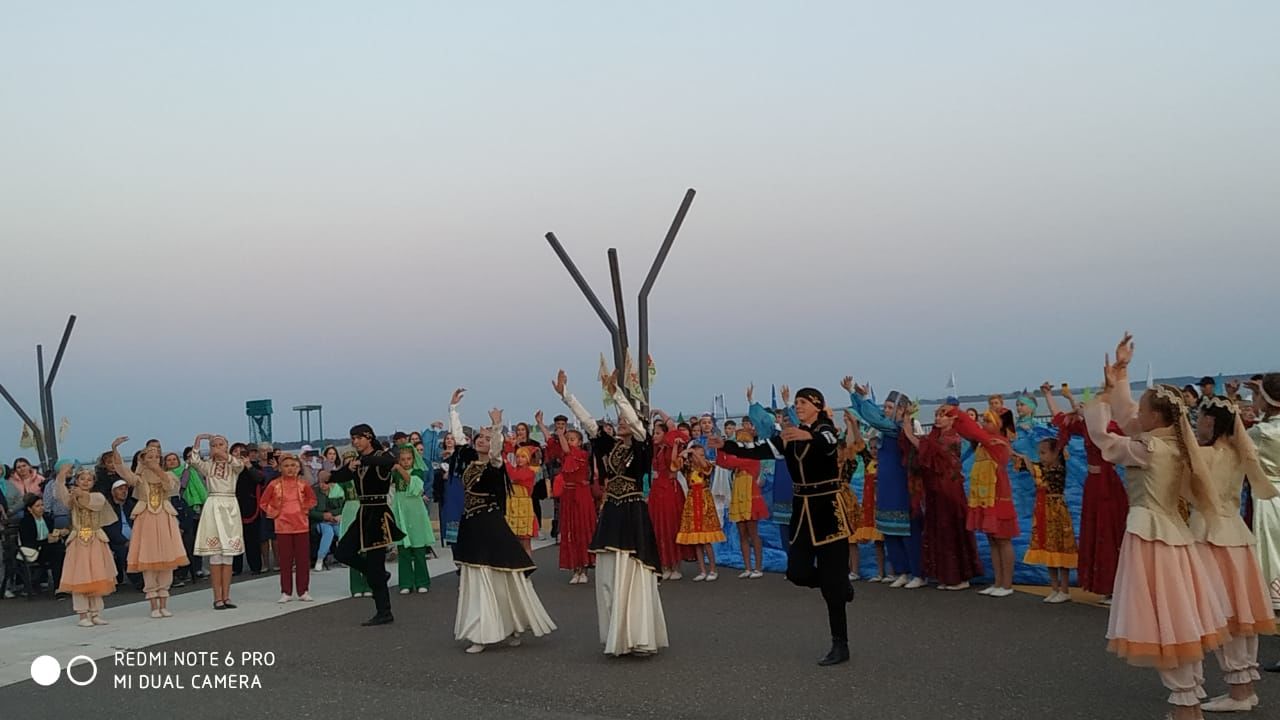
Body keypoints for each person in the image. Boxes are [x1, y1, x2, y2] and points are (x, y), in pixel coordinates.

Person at [1086, 335, 1228, 719]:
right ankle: (1190, 702)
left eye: (1144, 411)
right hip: (1173, 536)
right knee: (1183, 618)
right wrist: (1122, 372)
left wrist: (1101, 397)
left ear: (1156, 418)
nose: (1136, 416)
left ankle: (1186, 707)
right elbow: (1131, 415)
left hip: (1151, 536)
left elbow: (1105, 438)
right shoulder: (1175, 443)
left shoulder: (1147, 449)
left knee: (1166, 622)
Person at [711, 386, 855, 666]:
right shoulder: (788, 436)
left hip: (828, 511)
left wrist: (809, 434)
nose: (798, 406)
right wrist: (726, 445)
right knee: (797, 572)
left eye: (803, 402)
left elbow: (828, 443)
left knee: (832, 588)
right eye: (797, 402)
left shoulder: (826, 429)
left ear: (817, 405)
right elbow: (758, 448)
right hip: (802, 512)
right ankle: (837, 583)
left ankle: (840, 644)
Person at [555, 370, 668, 657]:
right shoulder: (611, 446)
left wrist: (617, 392)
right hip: (612, 513)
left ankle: (640, 636)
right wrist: (567, 396)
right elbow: (589, 423)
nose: (620, 422)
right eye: (617, 419)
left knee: (634, 573)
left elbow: (634, 422)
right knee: (609, 575)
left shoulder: (643, 445)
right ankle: (617, 635)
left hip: (632, 511)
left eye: (624, 420)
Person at [1190, 393, 1277, 711]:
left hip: (1209, 536)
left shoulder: (1207, 455)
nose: (1196, 424)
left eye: (1199, 418)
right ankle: (1243, 686)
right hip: (1236, 535)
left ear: (1210, 421)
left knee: (1220, 614)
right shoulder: (1240, 452)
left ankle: (1236, 690)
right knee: (1241, 613)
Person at [450, 401, 556, 653]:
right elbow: (458, 438)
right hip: (471, 524)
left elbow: (497, 453)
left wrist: (497, 425)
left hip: (490, 524)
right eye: (480, 437)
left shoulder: (495, 466)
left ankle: (511, 624)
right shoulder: (468, 462)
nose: (482, 441)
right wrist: (453, 410)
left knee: (498, 575)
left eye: (487, 439)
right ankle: (481, 629)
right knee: (476, 577)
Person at [1046, 382, 1127, 605]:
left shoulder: (1110, 428)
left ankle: (1116, 585)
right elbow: (1060, 418)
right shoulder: (1088, 427)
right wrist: (1048, 395)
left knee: (1109, 531)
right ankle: (1105, 585)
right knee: (1096, 531)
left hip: (1107, 484)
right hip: (1093, 483)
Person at [845, 380, 923, 589]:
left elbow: (873, 417)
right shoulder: (884, 430)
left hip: (900, 485)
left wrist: (859, 396)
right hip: (886, 485)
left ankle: (917, 572)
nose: (886, 411)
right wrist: (858, 398)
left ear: (902, 409)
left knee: (906, 530)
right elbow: (871, 417)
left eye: (890, 407)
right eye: (885, 407)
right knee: (889, 530)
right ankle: (902, 571)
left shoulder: (896, 428)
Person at [900, 405, 984, 591]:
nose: (938, 419)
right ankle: (946, 576)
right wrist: (907, 423)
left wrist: (907, 427)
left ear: (953, 419)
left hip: (949, 490)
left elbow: (923, 448)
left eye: (943, 416)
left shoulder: (952, 438)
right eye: (937, 415)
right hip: (935, 490)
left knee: (951, 529)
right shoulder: (935, 437)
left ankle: (959, 577)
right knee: (938, 529)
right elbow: (922, 446)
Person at [329, 424, 405, 626]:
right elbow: (335, 477)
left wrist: (362, 460)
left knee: (375, 561)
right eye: (352, 439)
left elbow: (389, 460)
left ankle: (384, 611)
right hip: (363, 513)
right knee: (342, 552)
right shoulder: (356, 462)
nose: (355, 442)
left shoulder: (381, 456)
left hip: (379, 514)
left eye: (358, 438)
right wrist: (341, 470)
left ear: (369, 437)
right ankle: (377, 574)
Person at [114, 437, 190, 617]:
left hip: (164, 518)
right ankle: (153, 605)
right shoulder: (139, 479)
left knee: (167, 558)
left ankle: (164, 602)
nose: (154, 459)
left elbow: (171, 487)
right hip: (146, 519)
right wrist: (115, 449)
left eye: (157, 456)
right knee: (149, 558)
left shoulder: (168, 475)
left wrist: (157, 469)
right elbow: (123, 472)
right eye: (150, 456)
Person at [959, 407, 1020, 597]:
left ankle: (1007, 584)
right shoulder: (983, 443)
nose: (983, 424)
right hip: (984, 496)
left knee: (1003, 539)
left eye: (988, 421)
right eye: (984, 420)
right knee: (992, 540)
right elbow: (968, 432)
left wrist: (956, 412)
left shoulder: (998, 442)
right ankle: (998, 581)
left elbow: (972, 430)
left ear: (1000, 425)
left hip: (998, 494)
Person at [52, 464, 118, 626]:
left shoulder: (98, 497)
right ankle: (82, 614)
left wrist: (79, 493)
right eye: (82, 479)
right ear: (77, 480)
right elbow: (61, 496)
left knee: (97, 575)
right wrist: (61, 476)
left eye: (89, 479)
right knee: (80, 576)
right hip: (79, 541)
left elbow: (92, 503)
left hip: (95, 539)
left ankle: (95, 613)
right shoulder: (72, 498)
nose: (86, 481)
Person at [537, 411, 597, 584]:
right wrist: (541, 424)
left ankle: (584, 567)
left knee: (581, 530)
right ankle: (575, 568)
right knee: (569, 530)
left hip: (581, 494)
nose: (569, 441)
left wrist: (562, 435)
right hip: (568, 495)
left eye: (573, 438)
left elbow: (564, 447)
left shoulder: (581, 455)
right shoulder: (564, 455)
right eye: (568, 438)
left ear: (579, 442)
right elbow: (551, 441)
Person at [1016, 438, 1078, 603]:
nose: (1041, 457)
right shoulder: (1044, 466)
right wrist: (1015, 455)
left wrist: (1028, 462)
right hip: (1044, 510)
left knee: (1060, 548)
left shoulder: (1058, 468)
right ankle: (1054, 588)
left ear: (1056, 453)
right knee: (1049, 549)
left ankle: (1064, 589)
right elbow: (1025, 466)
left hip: (1057, 511)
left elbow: (1042, 481)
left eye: (1044, 453)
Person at [187, 434, 245, 610]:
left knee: (228, 555)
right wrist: (198, 441)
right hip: (213, 505)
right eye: (214, 445)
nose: (217, 448)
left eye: (221, 444)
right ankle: (217, 597)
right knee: (215, 554)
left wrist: (224, 455)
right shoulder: (208, 466)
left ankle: (227, 596)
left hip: (230, 506)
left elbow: (238, 465)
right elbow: (193, 461)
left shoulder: (234, 464)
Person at [259, 453, 317, 603]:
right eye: (286, 466)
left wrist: (304, 509)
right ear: (280, 468)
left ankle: (303, 590)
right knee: (285, 560)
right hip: (282, 526)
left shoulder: (303, 484)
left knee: (303, 560)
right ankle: (286, 591)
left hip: (301, 526)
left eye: (293, 465)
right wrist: (275, 513)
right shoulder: (274, 484)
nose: (290, 469)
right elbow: (263, 502)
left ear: (298, 467)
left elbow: (312, 500)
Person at [719, 422, 770, 579]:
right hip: (739, 495)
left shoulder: (753, 458)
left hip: (750, 497)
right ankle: (747, 567)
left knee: (753, 533)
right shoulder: (739, 458)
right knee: (742, 533)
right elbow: (722, 462)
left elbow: (731, 462)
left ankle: (758, 567)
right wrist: (720, 447)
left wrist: (723, 447)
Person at [676, 442, 726, 582]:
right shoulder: (687, 468)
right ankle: (702, 570)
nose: (700, 457)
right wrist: (682, 451)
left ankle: (713, 569)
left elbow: (704, 466)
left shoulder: (708, 466)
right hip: (692, 501)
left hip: (704, 500)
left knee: (707, 540)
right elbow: (674, 464)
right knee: (696, 540)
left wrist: (694, 453)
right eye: (697, 455)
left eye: (702, 454)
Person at [391, 443, 435, 594]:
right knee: (403, 548)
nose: (405, 462)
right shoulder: (395, 473)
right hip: (401, 510)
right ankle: (405, 583)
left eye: (408, 459)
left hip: (415, 511)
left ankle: (422, 581)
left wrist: (399, 469)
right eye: (402, 459)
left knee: (418, 548)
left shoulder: (418, 471)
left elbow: (414, 485)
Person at [18, 493, 68, 594]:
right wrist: (46, 541)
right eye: (37, 506)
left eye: (42, 505)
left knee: (62, 550)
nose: (41, 508)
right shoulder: (26, 522)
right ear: (30, 509)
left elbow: (52, 533)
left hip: (48, 549)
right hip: (34, 551)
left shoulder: (47, 518)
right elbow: (28, 542)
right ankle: (58, 587)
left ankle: (63, 585)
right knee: (57, 552)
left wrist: (59, 534)